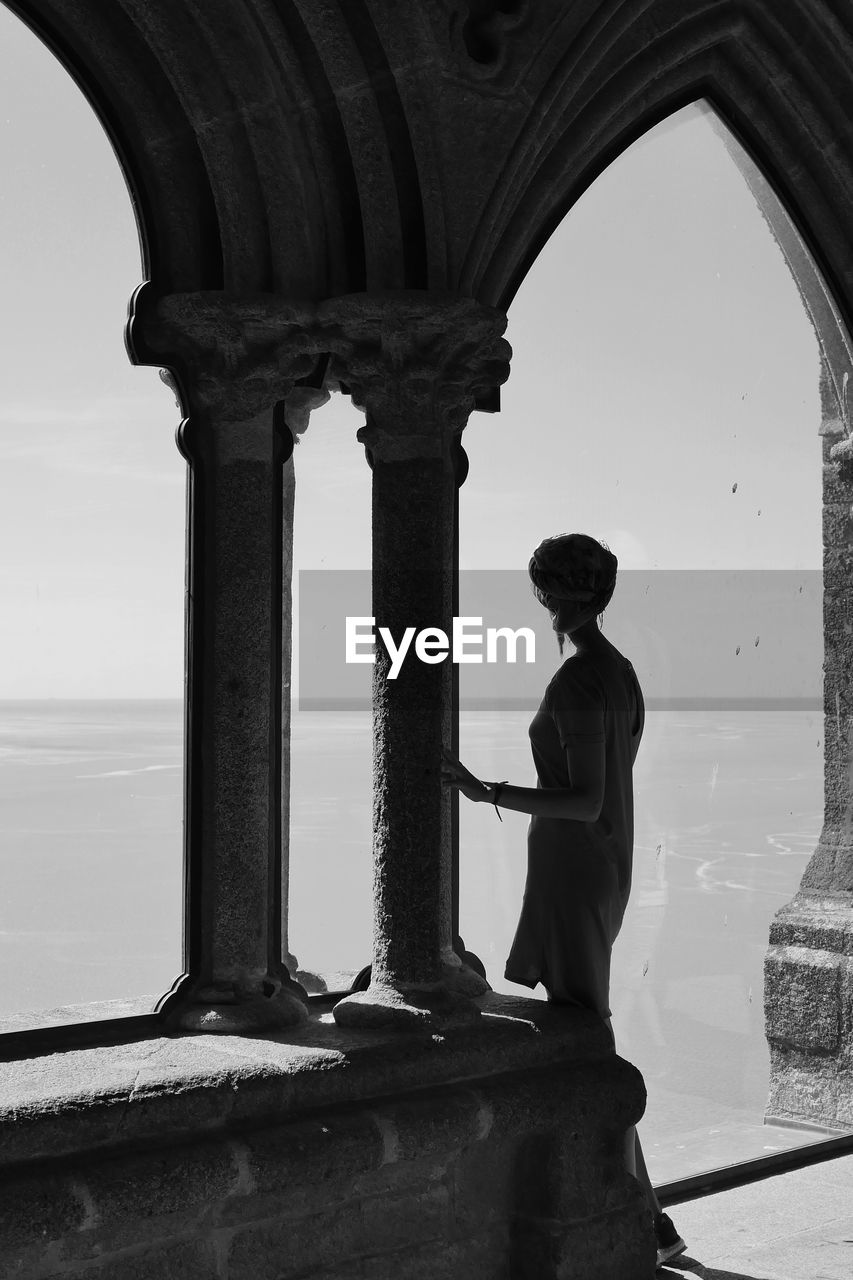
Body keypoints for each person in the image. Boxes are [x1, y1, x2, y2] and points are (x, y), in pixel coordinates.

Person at [440, 532, 686, 1271]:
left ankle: (643, 1215)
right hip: (597, 866)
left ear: (547, 594)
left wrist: (485, 791)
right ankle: (652, 1218)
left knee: (588, 1040)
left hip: (575, 867)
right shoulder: (620, 673)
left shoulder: (580, 680)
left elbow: (582, 799)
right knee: (585, 1029)